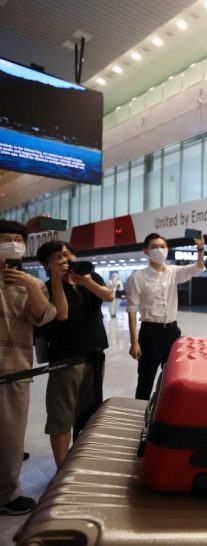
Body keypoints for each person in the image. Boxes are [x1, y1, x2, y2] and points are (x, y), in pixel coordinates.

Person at [37, 241, 111, 467]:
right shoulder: (46, 287)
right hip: (66, 358)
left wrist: (86, 281)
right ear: (46, 264)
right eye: (58, 256)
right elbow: (61, 315)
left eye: (68, 253)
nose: (65, 259)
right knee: (62, 415)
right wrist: (58, 281)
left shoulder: (90, 277)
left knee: (89, 412)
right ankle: (62, 468)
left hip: (95, 354)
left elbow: (108, 296)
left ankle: (81, 460)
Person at [0, 220, 57, 516]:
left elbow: (45, 316)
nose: (12, 244)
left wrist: (34, 286)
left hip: (15, 369)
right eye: (5, 239)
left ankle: (8, 494)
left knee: (10, 436)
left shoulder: (29, 283)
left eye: (17, 239)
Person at [126, 232, 205, 400]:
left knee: (171, 378)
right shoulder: (137, 277)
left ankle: (164, 414)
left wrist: (200, 248)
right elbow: (132, 310)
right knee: (146, 379)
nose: (159, 250)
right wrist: (134, 342)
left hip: (172, 332)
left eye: (163, 246)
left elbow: (197, 268)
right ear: (145, 251)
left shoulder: (173, 271)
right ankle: (140, 414)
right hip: (150, 333)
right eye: (154, 247)